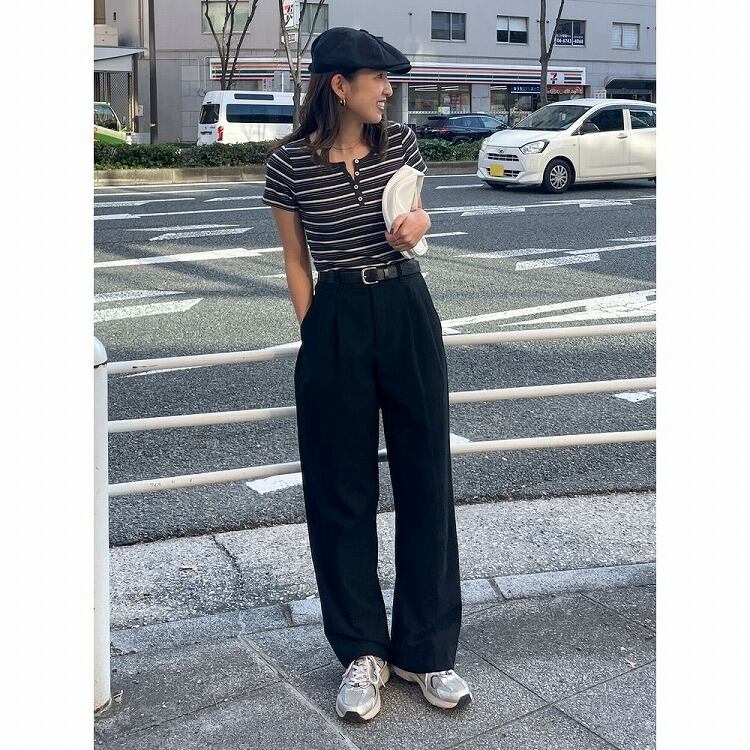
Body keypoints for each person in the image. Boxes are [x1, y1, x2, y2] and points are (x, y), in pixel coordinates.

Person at [262, 27, 471, 722]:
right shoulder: (288, 164)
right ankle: (361, 651)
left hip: (406, 306)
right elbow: (295, 259)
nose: (388, 88)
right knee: (339, 486)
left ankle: (425, 650)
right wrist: (315, 331)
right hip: (337, 315)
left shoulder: (401, 143)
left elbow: (415, 214)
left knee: (425, 475)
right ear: (338, 85)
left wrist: (421, 224)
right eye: (378, 77)